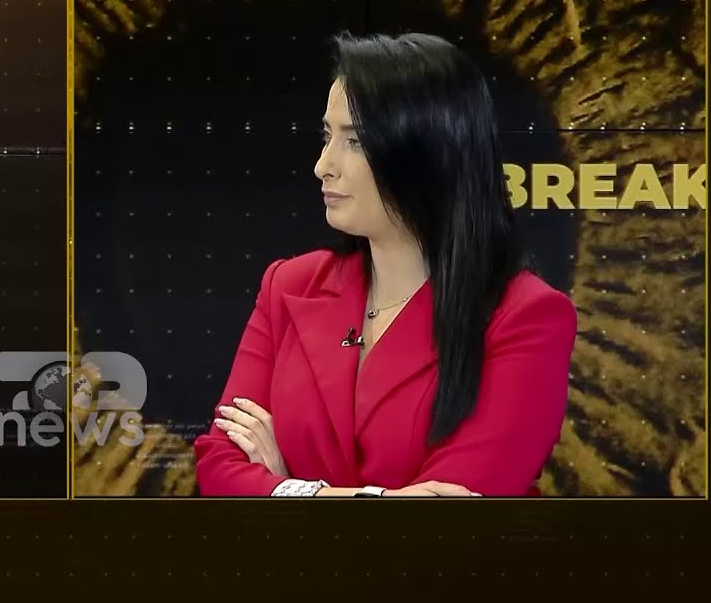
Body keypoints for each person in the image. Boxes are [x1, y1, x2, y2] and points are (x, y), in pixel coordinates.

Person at [193, 32, 576, 497]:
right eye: (327, 136)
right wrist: (338, 497)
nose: (323, 165)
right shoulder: (289, 285)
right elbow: (220, 467)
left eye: (354, 141)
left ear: (428, 154)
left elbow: (451, 510)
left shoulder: (525, 317)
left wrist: (286, 488)